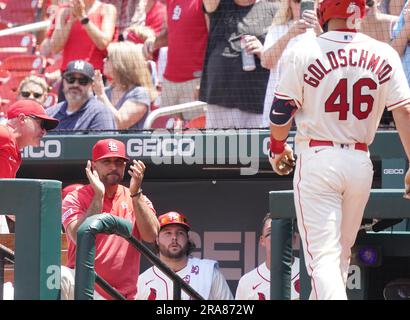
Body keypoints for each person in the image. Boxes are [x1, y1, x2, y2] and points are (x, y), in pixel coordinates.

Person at [268, 0, 410, 299]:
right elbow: (404, 111)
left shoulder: (304, 49)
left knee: (323, 258)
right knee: (340, 257)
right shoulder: (383, 52)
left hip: (320, 159)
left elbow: (281, 114)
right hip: (360, 162)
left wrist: (277, 148)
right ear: (360, 13)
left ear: (323, 12)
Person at [61, 138, 160, 299]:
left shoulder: (135, 196)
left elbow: (152, 235)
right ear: (93, 165)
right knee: (58, 276)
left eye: (119, 162)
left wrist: (136, 194)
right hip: (83, 286)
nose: (113, 167)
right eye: (106, 161)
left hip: (120, 295)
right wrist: (98, 196)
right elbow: (78, 236)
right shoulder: (76, 197)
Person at [200, 0, 278, 128]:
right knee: (218, 147)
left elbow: (283, 56)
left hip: (255, 99)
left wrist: (262, 51)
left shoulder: (274, 9)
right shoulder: (219, 5)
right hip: (219, 97)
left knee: (251, 147)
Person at [136, 211, 233, 300]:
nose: (174, 237)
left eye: (180, 233)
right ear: (157, 239)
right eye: (168, 233)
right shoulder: (143, 281)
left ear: (187, 238)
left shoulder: (208, 272)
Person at [143, 0, 208, 121]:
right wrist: (154, 42)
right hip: (170, 81)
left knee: (196, 134)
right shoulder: (171, 1)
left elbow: (213, 37)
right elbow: (170, 32)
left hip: (195, 81)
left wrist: (205, 79)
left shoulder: (204, 2)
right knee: (164, 134)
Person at [235, 213, 300, 300]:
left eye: (283, 231)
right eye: (271, 232)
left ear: (294, 238)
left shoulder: (309, 271)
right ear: (262, 241)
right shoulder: (247, 281)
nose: (277, 237)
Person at [94, 41, 157, 130]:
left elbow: (119, 124)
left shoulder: (140, 93)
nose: (104, 60)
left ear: (121, 63)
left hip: (126, 143)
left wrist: (101, 95)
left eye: (108, 58)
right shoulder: (106, 91)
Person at [46, 59, 116, 131]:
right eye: (71, 79)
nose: (75, 84)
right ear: (63, 81)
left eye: (83, 81)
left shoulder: (101, 113)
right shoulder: (50, 113)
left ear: (92, 85)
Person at [0, 99, 59, 178]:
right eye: (42, 124)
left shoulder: (16, 154)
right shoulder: (4, 133)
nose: (44, 131)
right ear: (22, 119)